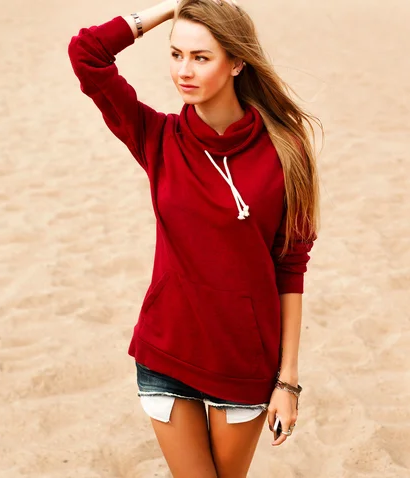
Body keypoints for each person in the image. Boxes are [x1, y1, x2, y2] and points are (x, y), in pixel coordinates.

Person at [68, 0, 321, 475]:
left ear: (238, 62)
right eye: (176, 54)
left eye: (201, 57)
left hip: (243, 361)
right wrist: (171, 9)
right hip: (166, 350)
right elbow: (86, 54)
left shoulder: (286, 152)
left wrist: (287, 382)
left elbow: (290, 267)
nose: (184, 70)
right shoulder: (156, 137)